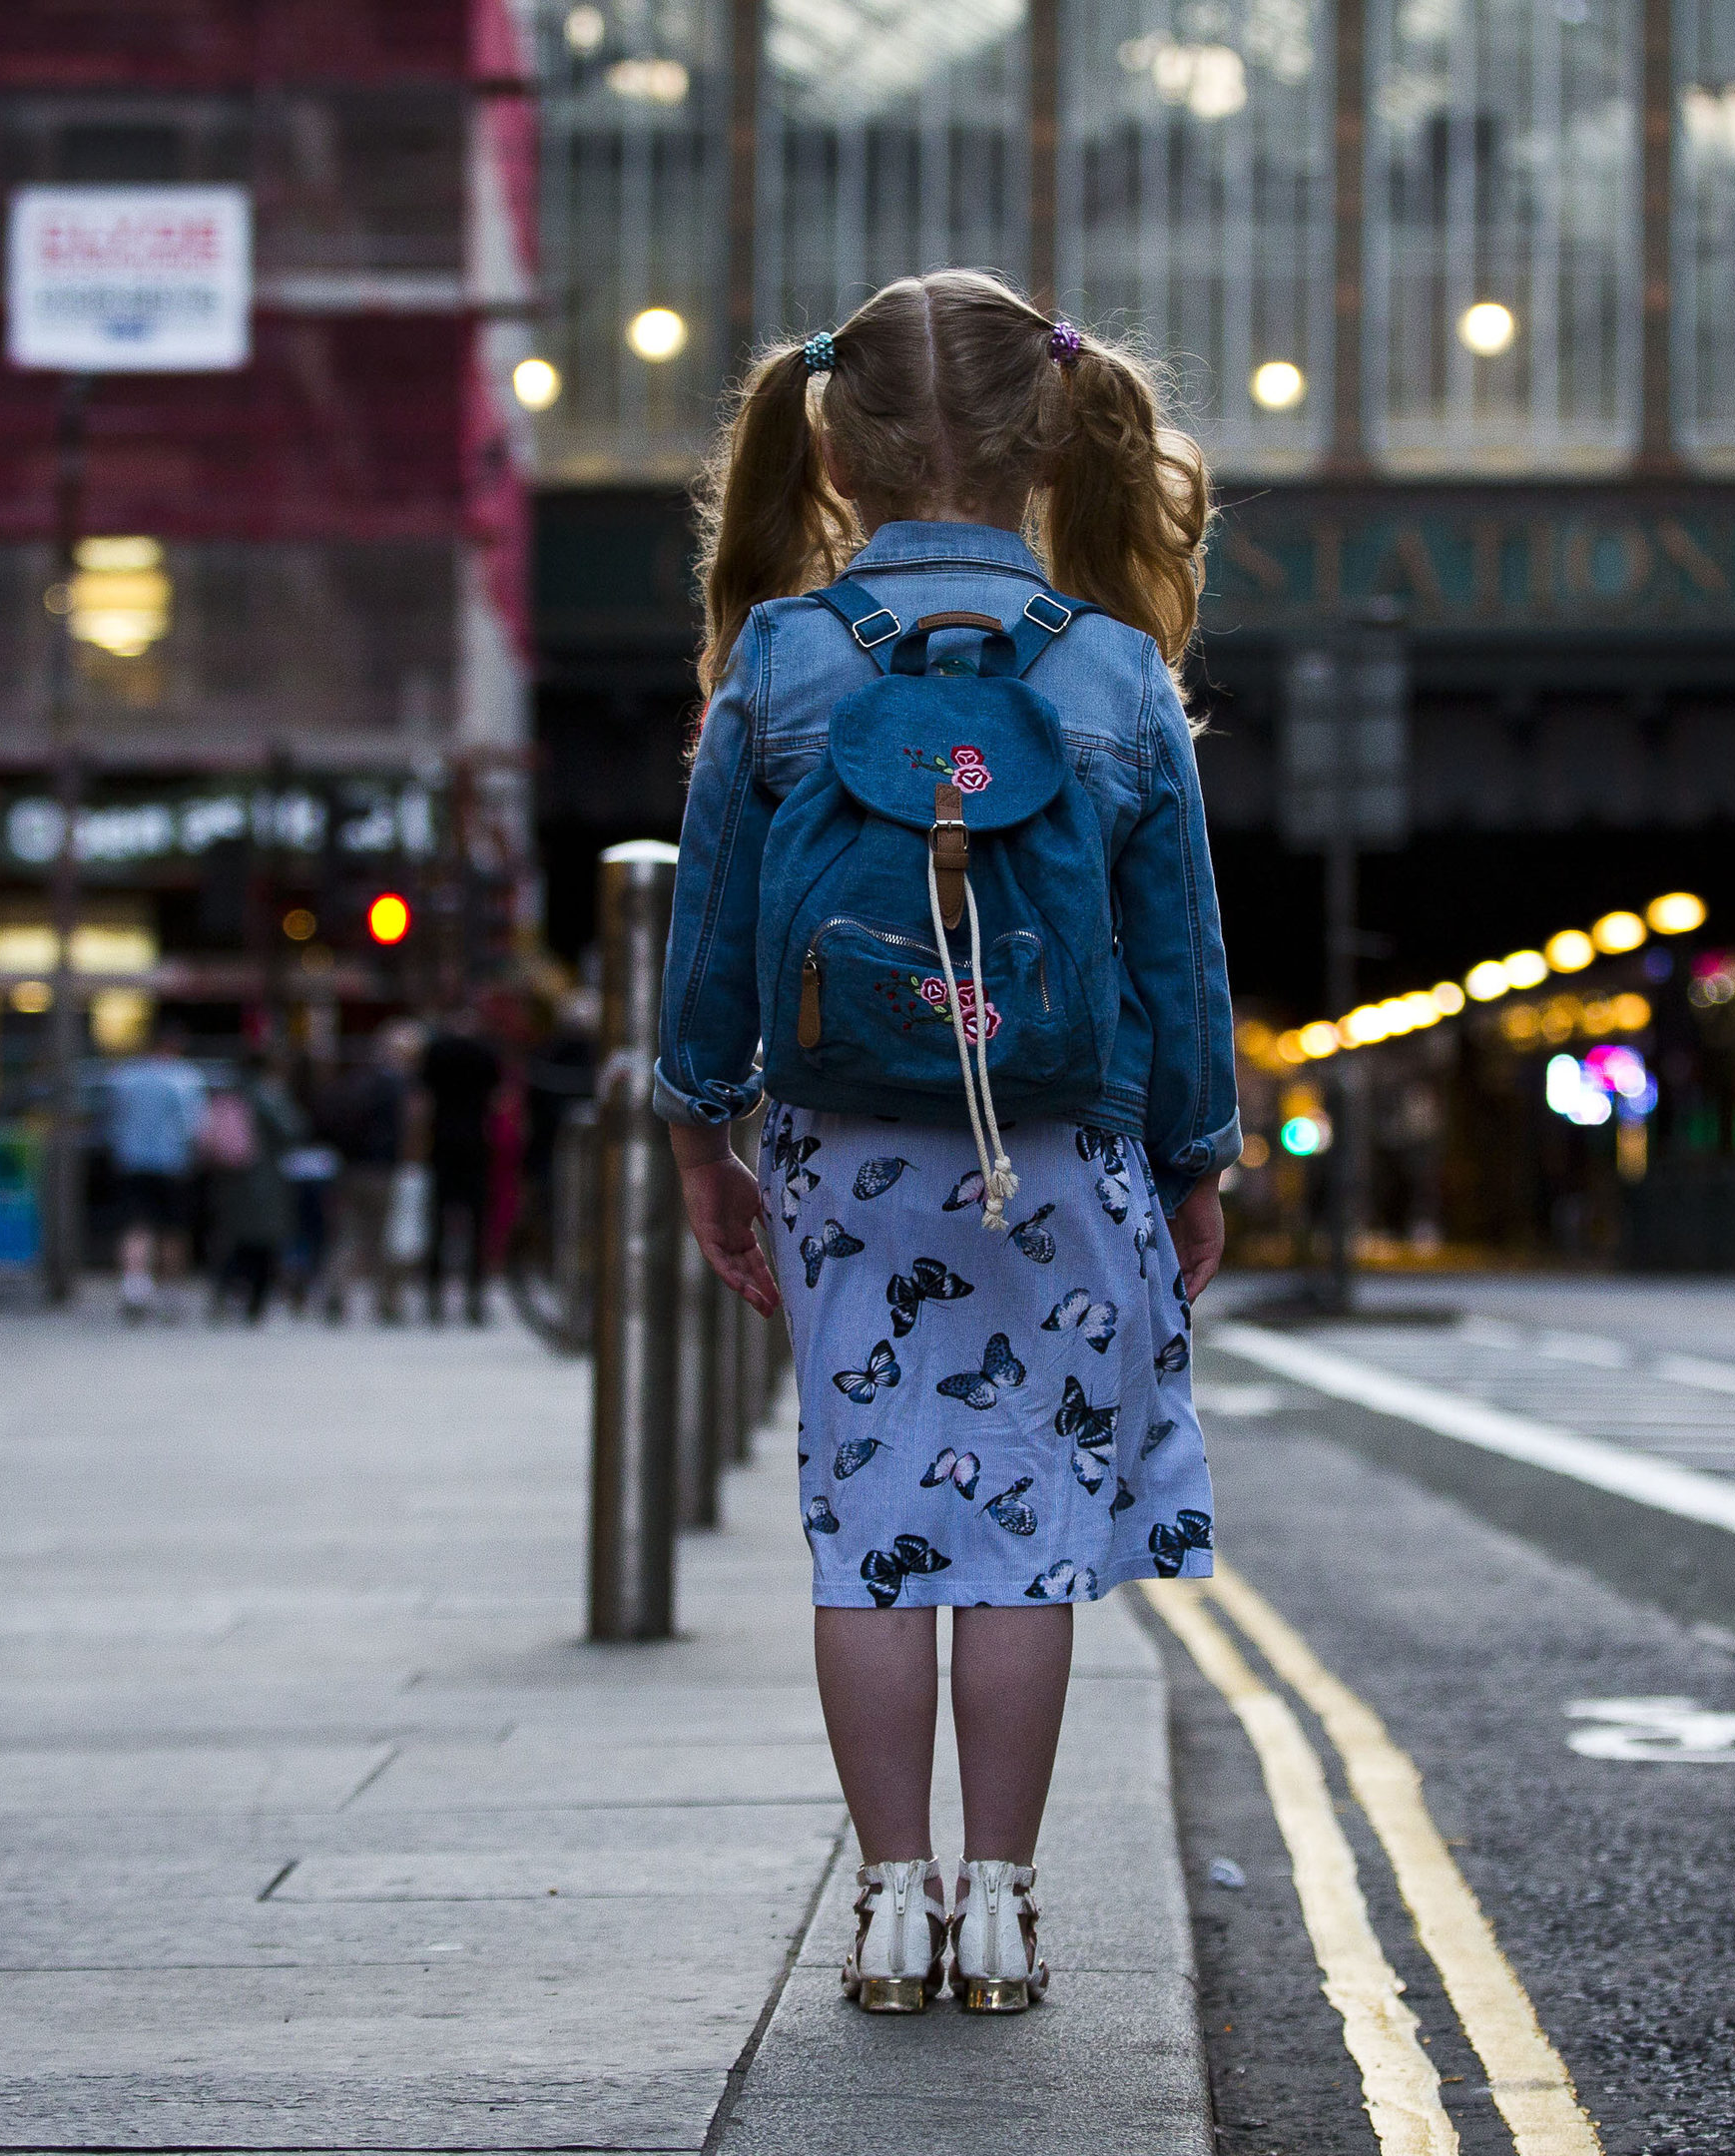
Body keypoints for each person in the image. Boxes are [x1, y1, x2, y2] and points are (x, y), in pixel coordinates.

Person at [654, 272, 1237, 2019]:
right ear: (1052, 436)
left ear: (828, 446)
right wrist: (1196, 1160)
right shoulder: (1117, 672)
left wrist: (706, 1135)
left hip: (845, 1151)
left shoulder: (782, 657)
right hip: (1059, 1153)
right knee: (1025, 1539)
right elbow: (1178, 960)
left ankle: (889, 1908)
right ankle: (1004, 1909)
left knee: (873, 1531)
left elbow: (714, 934)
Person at [101, 1024, 209, 1322]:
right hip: (173, 1163)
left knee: (135, 1226)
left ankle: (135, 1286)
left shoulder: (125, 1076)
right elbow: (194, 1126)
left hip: (131, 1161)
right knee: (173, 1230)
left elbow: (112, 1119)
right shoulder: (186, 1078)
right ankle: (170, 1292)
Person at [316, 1026, 418, 1325]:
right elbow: (406, 1128)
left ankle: (336, 1292)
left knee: (348, 1234)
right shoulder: (397, 1086)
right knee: (384, 1237)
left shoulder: (352, 1082)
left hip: (349, 1168)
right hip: (381, 1169)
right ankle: (387, 1302)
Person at [206, 1053, 309, 1323]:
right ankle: (255, 1301)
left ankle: (224, 1294)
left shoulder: (230, 1093)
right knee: (264, 1242)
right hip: (263, 1181)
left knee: (235, 1240)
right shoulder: (267, 1093)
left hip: (230, 1178)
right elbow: (293, 1129)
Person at [419, 1008, 503, 1326]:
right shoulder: (486, 1054)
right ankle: (474, 1298)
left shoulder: (437, 1052)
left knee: (438, 1223)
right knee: (476, 1224)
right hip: (476, 1144)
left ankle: (435, 1298)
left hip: (441, 1143)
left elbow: (422, 1099)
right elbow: (497, 1099)